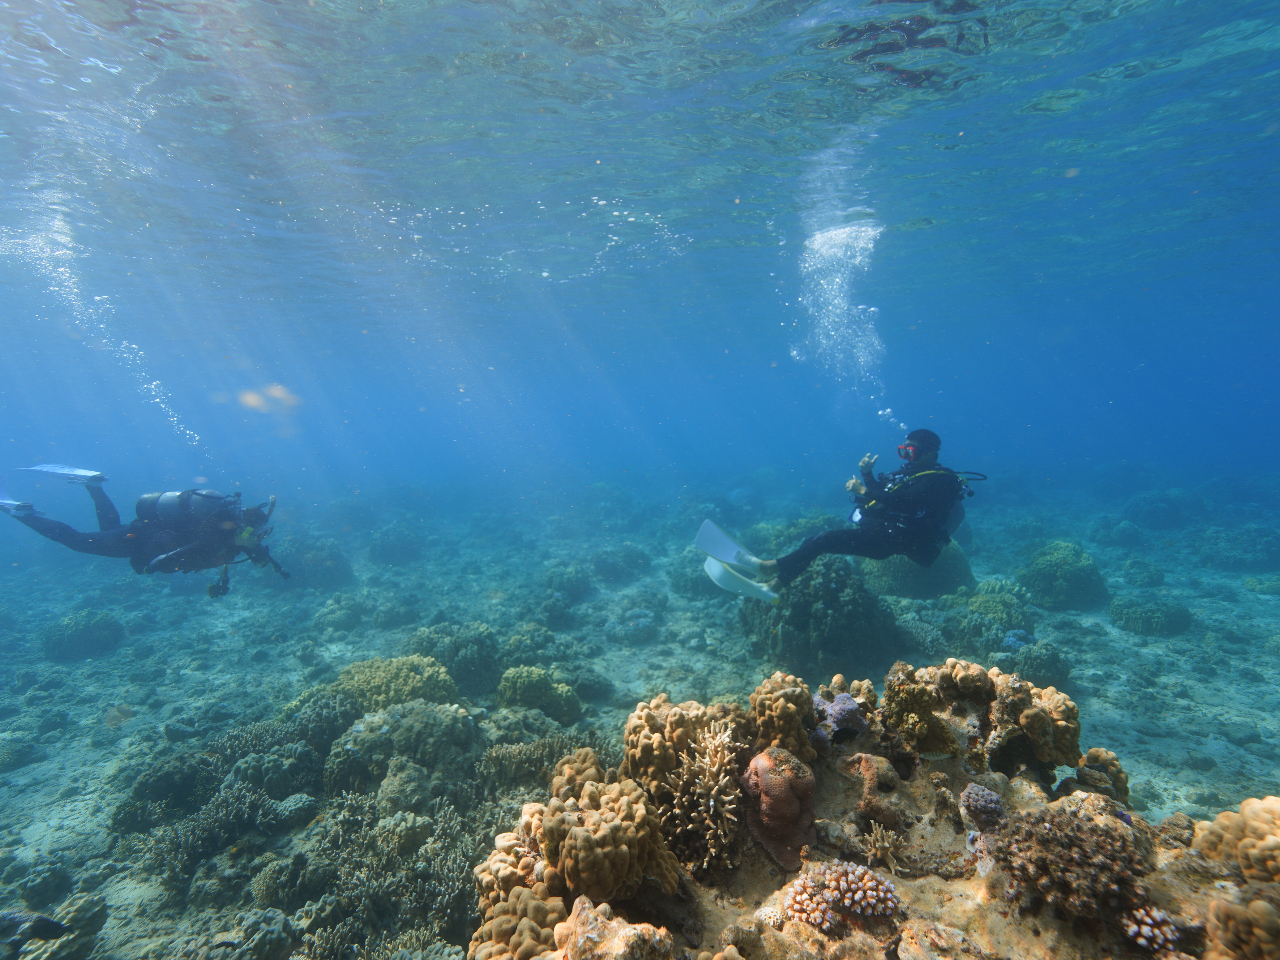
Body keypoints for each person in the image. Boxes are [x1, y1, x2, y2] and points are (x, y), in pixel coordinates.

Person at [1, 468, 289, 596]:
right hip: (140, 541)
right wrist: (150, 567)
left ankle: (94, 485)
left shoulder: (234, 533)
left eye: (261, 534)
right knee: (77, 542)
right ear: (244, 526)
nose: (258, 538)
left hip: (139, 536)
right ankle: (23, 514)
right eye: (256, 533)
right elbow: (165, 562)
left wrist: (262, 554)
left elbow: (259, 557)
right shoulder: (212, 537)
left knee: (110, 529)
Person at [756, 428, 971, 589]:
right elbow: (886, 493)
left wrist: (863, 491)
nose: (905, 458)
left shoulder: (941, 480)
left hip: (894, 540)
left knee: (822, 540)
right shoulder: (911, 474)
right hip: (881, 531)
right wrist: (867, 474)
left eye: (910, 452)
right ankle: (775, 582)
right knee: (812, 542)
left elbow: (901, 500)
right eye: (902, 451)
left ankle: (771, 570)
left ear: (929, 452)